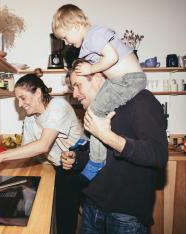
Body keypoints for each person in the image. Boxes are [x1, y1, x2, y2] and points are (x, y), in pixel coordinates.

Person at [61, 59, 168, 233]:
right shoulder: (94, 111)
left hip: (126, 216)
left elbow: (158, 155)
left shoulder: (141, 100)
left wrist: (109, 137)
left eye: (78, 85)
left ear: (96, 77)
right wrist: (76, 159)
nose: (75, 94)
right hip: (92, 206)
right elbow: (95, 154)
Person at [0, 73, 84, 234]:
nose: (20, 104)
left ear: (39, 93)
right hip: (62, 168)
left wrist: (0, 157)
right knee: (64, 218)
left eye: (23, 98)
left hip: (82, 166)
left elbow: (43, 145)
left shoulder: (58, 106)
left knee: (80, 218)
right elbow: (26, 151)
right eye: (17, 100)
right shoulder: (30, 118)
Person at [52, 4, 147, 181]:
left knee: (95, 113)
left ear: (75, 26)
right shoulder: (88, 44)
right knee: (95, 113)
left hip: (130, 80)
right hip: (119, 81)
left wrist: (91, 68)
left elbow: (113, 57)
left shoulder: (94, 35)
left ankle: (96, 161)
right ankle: (91, 151)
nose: (66, 43)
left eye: (65, 37)